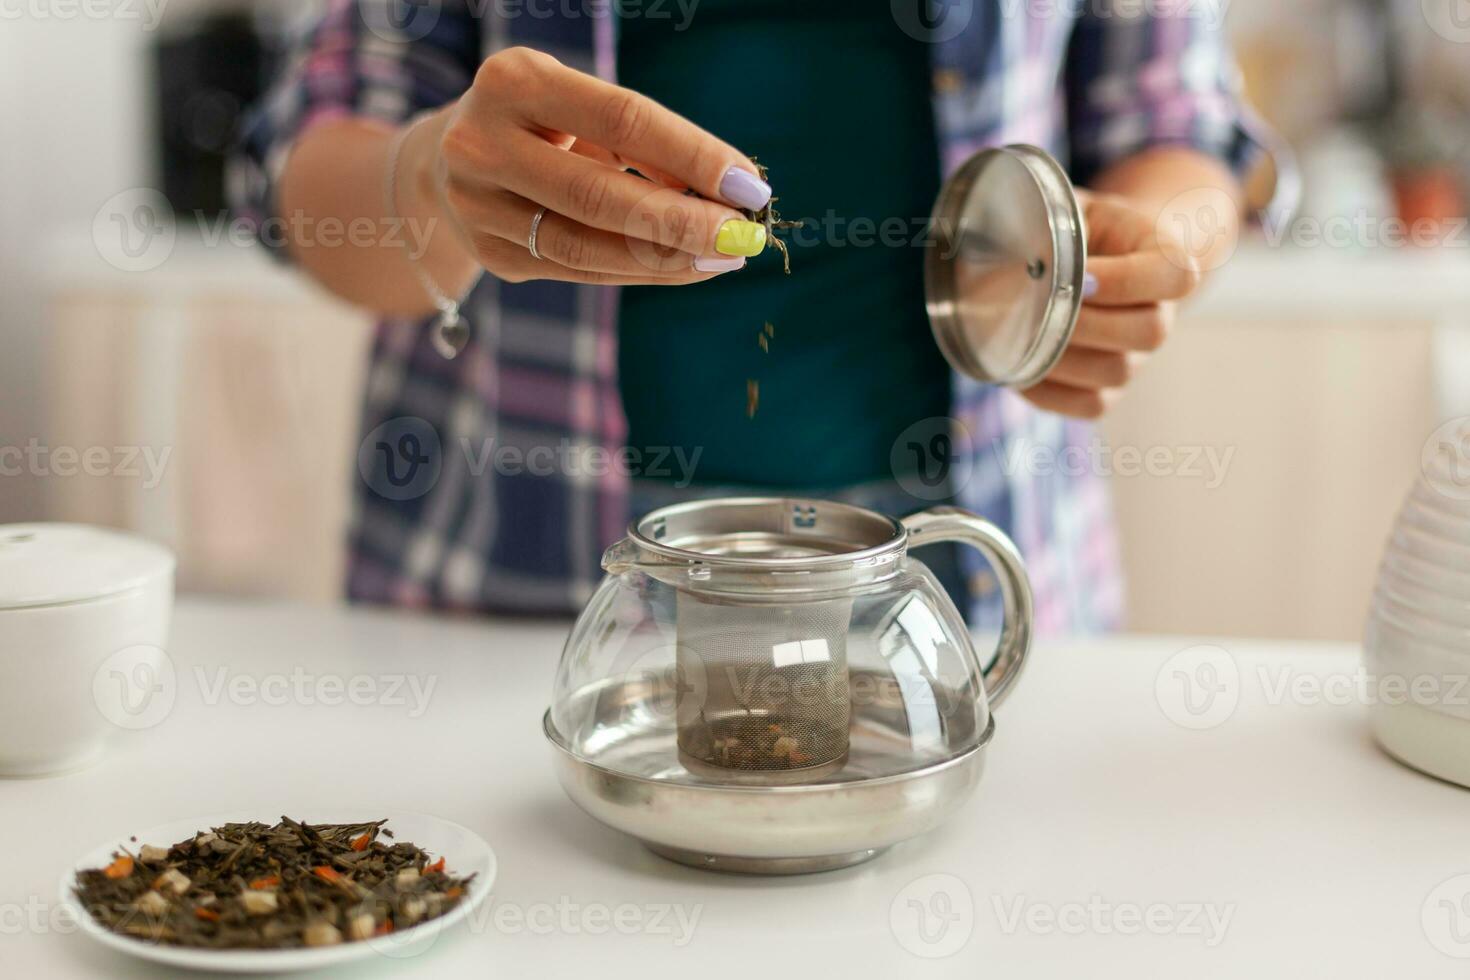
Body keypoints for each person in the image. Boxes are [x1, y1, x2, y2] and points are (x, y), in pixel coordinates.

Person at [233, 0, 1267, 631]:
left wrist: (1134, 252)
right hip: (511, 584)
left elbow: (1183, 129)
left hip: (973, 584)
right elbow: (304, 168)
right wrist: (429, 179)